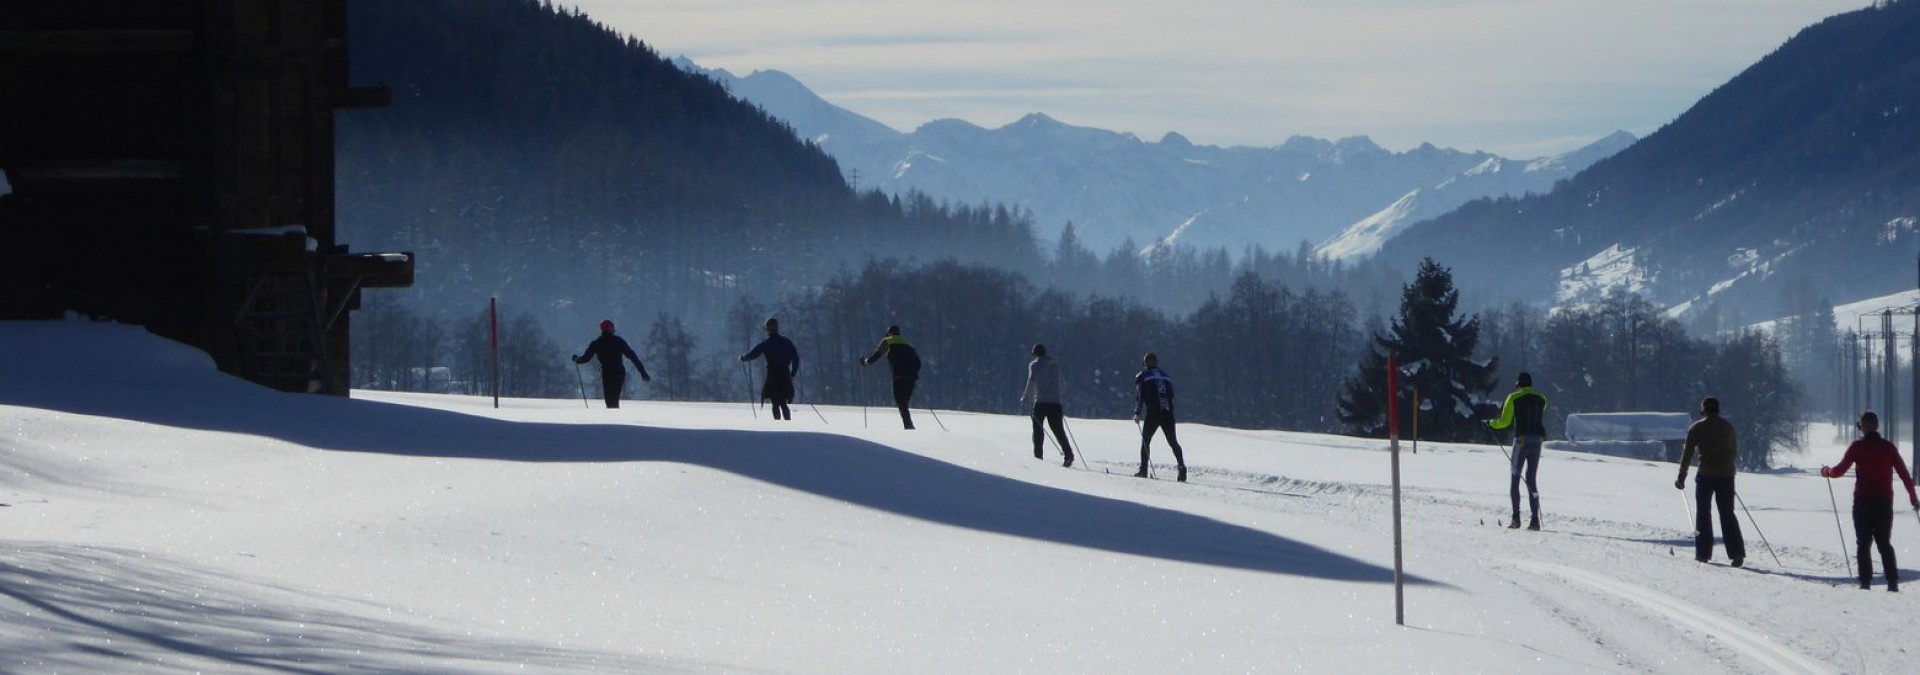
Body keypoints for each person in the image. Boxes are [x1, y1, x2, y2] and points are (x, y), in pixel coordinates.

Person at [1820, 411, 1919, 591]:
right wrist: (1913, 497)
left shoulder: (1857, 447)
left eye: (1860, 426)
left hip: (1863, 501)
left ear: (1863, 427)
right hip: (1884, 502)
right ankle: (1892, 582)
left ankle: (1865, 582)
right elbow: (1905, 475)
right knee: (1884, 543)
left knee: (1863, 543)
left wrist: (1827, 471)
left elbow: (1839, 470)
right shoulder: (1888, 448)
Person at [1675, 396, 1745, 566]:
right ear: (1718, 409)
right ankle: (1736, 554)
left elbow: (1687, 454)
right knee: (1727, 514)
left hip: (1705, 476)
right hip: (1726, 477)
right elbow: (1734, 450)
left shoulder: (1697, 427)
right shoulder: (1728, 427)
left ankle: (1703, 553)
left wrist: (1681, 476)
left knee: (1703, 514)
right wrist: (1728, 468)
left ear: (1703, 410)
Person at [1487, 371, 1547, 530]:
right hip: (1537, 441)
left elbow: (1505, 422)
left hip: (1521, 440)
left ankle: (1516, 519)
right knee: (1531, 479)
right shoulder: (1541, 399)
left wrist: (1491, 423)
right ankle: (1535, 520)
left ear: (1519, 384)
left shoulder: (1513, 398)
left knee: (1515, 477)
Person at [1132, 352, 1186, 481]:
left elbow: (1139, 396)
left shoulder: (1142, 376)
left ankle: (1143, 469)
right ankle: (1182, 467)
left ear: (1146, 363)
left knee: (1146, 440)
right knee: (1173, 442)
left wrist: (1137, 412)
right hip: (1168, 412)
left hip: (1153, 412)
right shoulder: (1166, 376)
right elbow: (1171, 394)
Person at [572, 319, 650, 409]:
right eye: (613, 327)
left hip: (607, 373)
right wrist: (642, 371)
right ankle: (615, 418)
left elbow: (586, 358)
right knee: (614, 398)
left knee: (609, 400)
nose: (614, 329)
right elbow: (632, 356)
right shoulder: (618, 341)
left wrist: (577, 359)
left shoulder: (597, 342)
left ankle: (612, 418)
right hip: (619, 372)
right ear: (610, 328)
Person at [1019, 343, 1073, 467]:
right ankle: (1068, 454)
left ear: (1035, 354)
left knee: (1038, 429)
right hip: (1056, 402)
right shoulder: (1055, 365)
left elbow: (1031, 382)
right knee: (1058, 430)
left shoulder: (1034, 365)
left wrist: (1025, 398)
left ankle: (1038, 456)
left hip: (1041, 401)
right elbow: (1062, 383)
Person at [859, 325, 921, 429]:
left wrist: (865, 362)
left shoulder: (887, 341)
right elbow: (918, 363)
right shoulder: (908, 343)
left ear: (889, 333)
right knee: (904, 402)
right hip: (911, 377)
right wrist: (913, 373)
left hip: (899, 376)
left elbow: (875, 357)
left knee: (901, 403)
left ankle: (909, 427)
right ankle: (909, 426)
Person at [741, 317, 800, 421]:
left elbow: (753, 354)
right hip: (785, 375)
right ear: (777, 328)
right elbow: (796, 358)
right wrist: (792, 374)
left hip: (772, 375)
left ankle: (778, 426)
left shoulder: (766, 343)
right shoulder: (786, 342)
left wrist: (743, 358)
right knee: (783, 402)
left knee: (775, 403)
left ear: (767, 329)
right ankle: (788, 425)